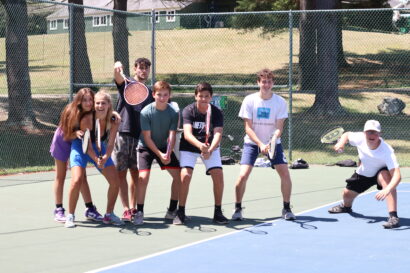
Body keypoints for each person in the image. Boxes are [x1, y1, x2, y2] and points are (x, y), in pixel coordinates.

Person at [232, 68, 295, 221]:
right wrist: (260, 144)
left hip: (274, 144)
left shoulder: (280, 102)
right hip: (252, 144)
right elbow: (248, 127)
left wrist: (271, 141)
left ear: (273, 83)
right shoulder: (249, 100)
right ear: (258, 83)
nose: (266, 85)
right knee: (242, 176)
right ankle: (238, 209)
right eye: (263, 82)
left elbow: (279, 128)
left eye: (269, 82)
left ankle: (286, 208)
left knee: (285, 174)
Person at [65, 90, 124, 228]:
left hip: (100, 147)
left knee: (115, 181)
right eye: (97, 103)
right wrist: (97, 159)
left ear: (109, 104)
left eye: (103, 103)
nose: (100, 106)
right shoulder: (87, 119)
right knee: (77, 180)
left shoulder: (114, 120)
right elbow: (87, 147)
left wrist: (105, 157)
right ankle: (70, 215)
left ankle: (109, 214)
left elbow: (110, 143)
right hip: (81, 147)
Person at [328, 120, 402, 229]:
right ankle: (346, 207)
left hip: (380, 172)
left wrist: (387, 189)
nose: (372, 135)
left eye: (375, 132)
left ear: (380, 134)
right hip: (365, 172)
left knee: (386, 178)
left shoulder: (387, 150)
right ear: (364, 133)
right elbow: (346, 134)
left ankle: (393, 217)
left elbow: (397, 175)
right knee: (346, 194)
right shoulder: (359, 138)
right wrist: (341, 143)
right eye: (369, 132)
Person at [174, 82, 229, 225]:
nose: (203, 99)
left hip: (211, 149)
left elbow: (217, 134)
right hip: (189, 148)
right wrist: (200, 146)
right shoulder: (188, 110)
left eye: (206, 96)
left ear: (211, 97)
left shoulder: (216, 112)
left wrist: (209, 150)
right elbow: (187, 134)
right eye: (200, 96)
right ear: (195, 96)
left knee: (218, 174)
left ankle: (218, 212)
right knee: (185, 175)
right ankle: (181, 212)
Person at [50, 88, 103, 223]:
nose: (89, 103)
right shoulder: (70, 111)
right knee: (60, 176)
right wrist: (76, 134)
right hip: (63, 140)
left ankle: (90, 208)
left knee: (81, 177)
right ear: (79, 101)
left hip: (78, 144)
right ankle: (59, 209)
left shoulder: (93, 113)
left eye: (90, 99)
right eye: (85, 100)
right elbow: (67, 133)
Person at [132, 81, 181, 225]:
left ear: (169, 96)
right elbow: (147, 138)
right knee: (143, 177)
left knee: (179, 176)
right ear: (153, 95)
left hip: (164, 146)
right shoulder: (146, 112)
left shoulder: (173, 112)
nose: (162, 97)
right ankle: (139, 211)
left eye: (165, 95)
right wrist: (160, 154)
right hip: (146, 147)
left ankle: (172, 210)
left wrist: (168, 151)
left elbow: (172, 134)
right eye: (159, 94)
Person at [112, 58, 154, 222]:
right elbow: (117, 76)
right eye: (141, 68)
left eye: (146, 69)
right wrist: (117, 67)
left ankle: (134, 207)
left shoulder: (150, 92)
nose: (143, 71)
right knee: (121, 173)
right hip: (123, 133)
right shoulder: (126, 84)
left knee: (136, 174)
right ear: (135, 69)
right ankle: (125, 209)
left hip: (140, 136)